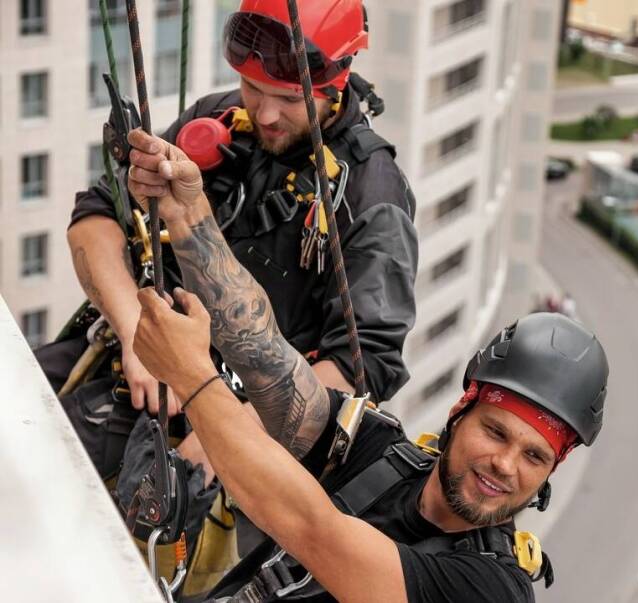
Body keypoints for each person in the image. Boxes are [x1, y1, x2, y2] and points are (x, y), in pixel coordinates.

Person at [126, 127, 609, 602]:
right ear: (460, 411)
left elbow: (315, 531)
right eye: (497, 432)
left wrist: (192, 377)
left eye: (534, 457)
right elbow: (263, 354)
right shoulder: (380, 458)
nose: (504, 465)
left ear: (552, 470)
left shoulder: (489, 586)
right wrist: (187, 213)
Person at [59, 0, 417, 481]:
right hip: (138, 371)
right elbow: (97, 215)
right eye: (252, 87)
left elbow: (362, 366)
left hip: (245, 423)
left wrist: (219, 435)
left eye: (290, 99)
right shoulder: (220, 118)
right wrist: (131, 333)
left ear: (336, 83)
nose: (265, 112)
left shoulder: (371, 195)